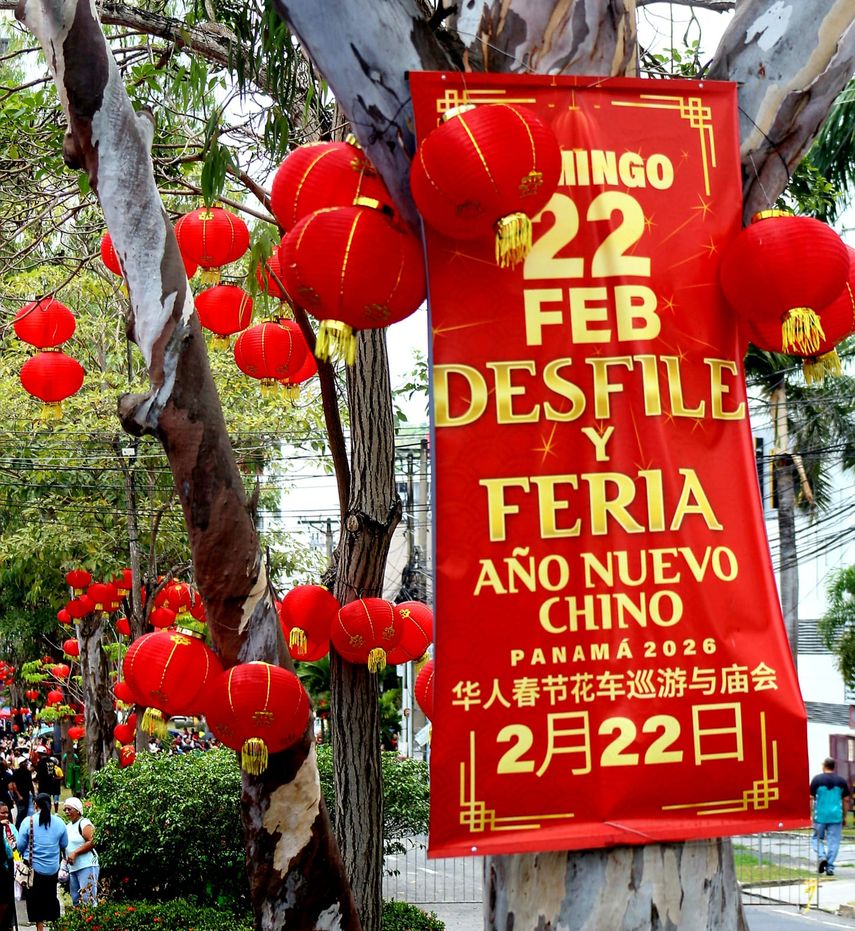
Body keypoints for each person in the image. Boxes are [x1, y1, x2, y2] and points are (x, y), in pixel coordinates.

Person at [16, 793, 67, 931]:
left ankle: (40, 928)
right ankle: (56, 925)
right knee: (51, 897)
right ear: (50, 805)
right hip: (52, 869)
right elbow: (64, 844)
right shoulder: (60, 822)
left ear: (35, 805)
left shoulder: (28, 822)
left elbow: (20, 846)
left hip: (34, 870)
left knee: (36, 901)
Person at [810, 757, 850, 876]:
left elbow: (811, 798)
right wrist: (844, 816)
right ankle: (830, 867)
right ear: (834, 767)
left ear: (824, 766)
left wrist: (810, 813)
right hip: (836, 816)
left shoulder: (816, 780)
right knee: (834, 842)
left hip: (820, 815)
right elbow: (846, 800)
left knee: (816, 838)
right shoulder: (842, 781)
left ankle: (822, 856)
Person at [62, 797, 98, 906]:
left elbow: (93, 841)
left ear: (78, 810)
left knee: (88, 899)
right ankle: (80, 921)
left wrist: (75, 853)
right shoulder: (67, 826)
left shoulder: (84, 823)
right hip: (73, 868)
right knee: (76, 900)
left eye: (70, 809)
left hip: (86, 866)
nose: (67, 812)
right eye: (65, 810)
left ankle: (92, 922)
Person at [0, 804, 17, 931]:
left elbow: (18, 842)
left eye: (7, 813)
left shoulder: (10, 827)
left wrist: (13, 842)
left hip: (8, 868)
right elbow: (8, 851)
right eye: (2, 813)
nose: (6, 815)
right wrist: (9, 845)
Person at [33, 748, 61, 813]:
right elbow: (53, 773)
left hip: (43, 785)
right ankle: (49, 811)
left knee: (43, 799)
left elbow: (39, 774)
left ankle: (44, 811)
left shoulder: (41, 762)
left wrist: (35, 779)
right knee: (48, 799)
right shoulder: (51, 762)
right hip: (51, 784)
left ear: (40, 754)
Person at [10, 759, 34, 830]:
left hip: (26, 795)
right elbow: (14, 784)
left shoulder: (28, 772)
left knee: (25, 812)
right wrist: (18, 795)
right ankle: (17, 827)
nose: (26, 764)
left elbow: (30, 784)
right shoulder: (16, 772)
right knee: (21, 812)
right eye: (24, 763)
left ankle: (23, 827)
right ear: (21, 764)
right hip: (19, 796)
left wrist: (33, 794)